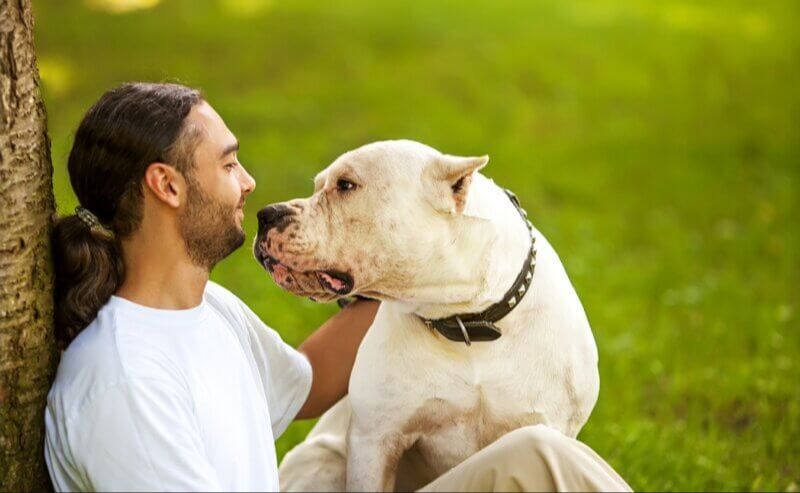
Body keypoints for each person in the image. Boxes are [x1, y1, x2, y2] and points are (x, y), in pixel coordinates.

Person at [45, 82, 631, 492]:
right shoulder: (123, 384)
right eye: (227, 165)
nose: (250, 183)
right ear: (166, 186)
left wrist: (414, 264)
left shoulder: (210, 311)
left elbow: (304, 386)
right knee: (543, 460)